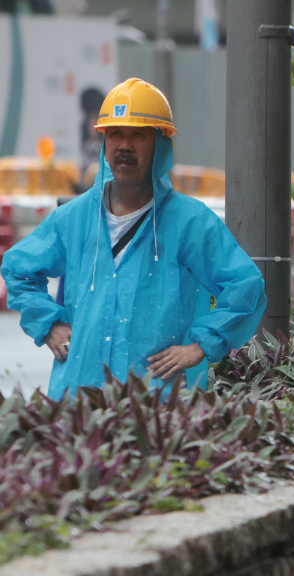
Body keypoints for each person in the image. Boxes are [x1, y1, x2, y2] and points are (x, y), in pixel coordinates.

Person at [1, 78, 266, 399]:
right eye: (115, 134)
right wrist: (50, 326)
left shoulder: (190, 223)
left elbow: (245, 284)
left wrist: (201, 345)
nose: (124, 145)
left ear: (160, 144)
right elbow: (18, 269)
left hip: (154, 406)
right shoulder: (73, 218)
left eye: (138, 134)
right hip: (79, 397)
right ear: (104, 144)